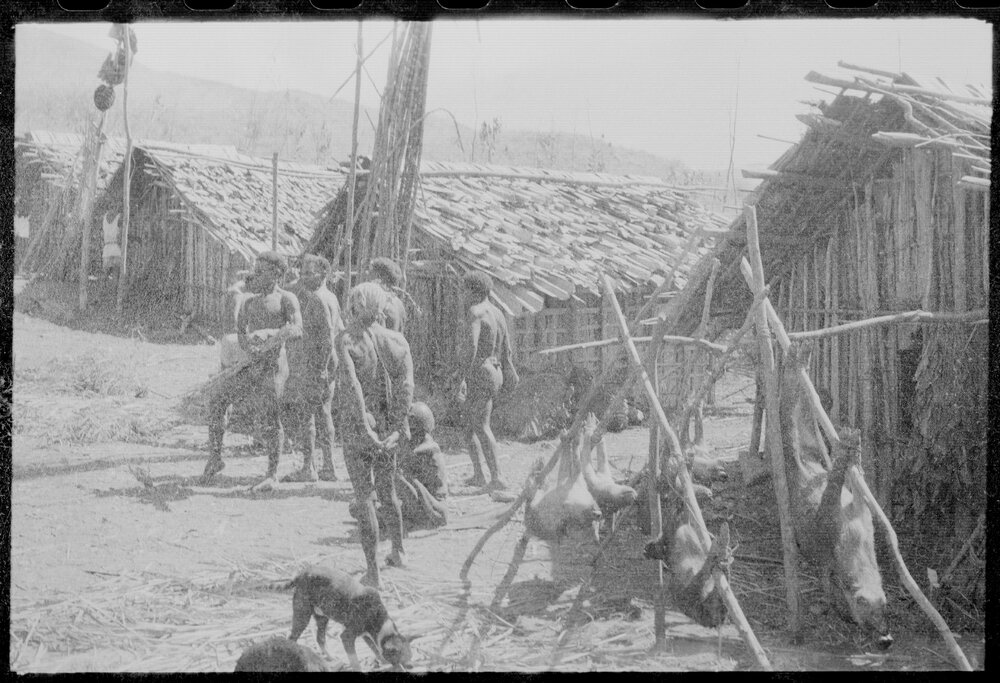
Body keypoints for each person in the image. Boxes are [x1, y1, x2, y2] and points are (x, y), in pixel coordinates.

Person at [201, 252, 302, 491]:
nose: (256, 274)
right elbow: (241, 334)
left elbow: (297, 329)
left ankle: (271, 473)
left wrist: (271, 336)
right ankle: (215, 458)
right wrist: (249, 346)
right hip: (252, 364)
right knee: (217, 400)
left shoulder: (287, 299)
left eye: (263, 270)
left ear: (278, 273)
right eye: (256, 269)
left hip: (274, 365)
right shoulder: (249, 301)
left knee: (271, 416)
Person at [336, 282, 414, 588]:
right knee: (388, 491)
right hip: (387, 426)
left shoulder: (345, 340)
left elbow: (353, 387)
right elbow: (407, 386)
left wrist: (366, 429)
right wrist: (396, 427)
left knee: (364, 496)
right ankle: (398, 550)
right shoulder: (397, 340)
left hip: (359, 427)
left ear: (356, 305)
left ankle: (373, 572)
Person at [281, 255, 344, 482]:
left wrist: (322, 367)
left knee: (307, 413)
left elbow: (328, 336)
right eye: (303, 273)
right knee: (324, 412)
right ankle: (329, 465)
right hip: (327, 363)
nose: (304, 277)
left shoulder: (317, 299)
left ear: (323, 274)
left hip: (317, 363)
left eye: (309, 273)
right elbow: (340, 331)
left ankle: (309, 467)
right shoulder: (331, 297)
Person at [456, 271, 519, 490]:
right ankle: (479, 475)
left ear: (473, 291)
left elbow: (471, 348)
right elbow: (507, 351)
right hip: (495, 370)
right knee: (468, 427)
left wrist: (461, 377)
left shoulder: (475, 312)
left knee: (481, 426)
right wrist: (510, 373)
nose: (462, 295)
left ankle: (497, 477)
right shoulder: (498, 313)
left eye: (464, 290)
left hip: (480, 372)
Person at [396, 401, 448, 530]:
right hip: (429, 503)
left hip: (435, 507)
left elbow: (403, 458)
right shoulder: (425, 443)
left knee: (400, 475)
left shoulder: (426, 449)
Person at [369, 257, 407, 333]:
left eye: (371, 272)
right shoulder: (398, 303)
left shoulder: (379, 302)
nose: (368, 274)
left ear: (380, 276)